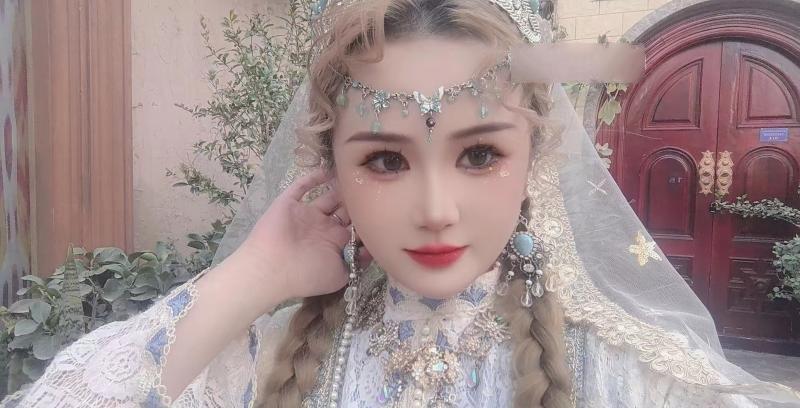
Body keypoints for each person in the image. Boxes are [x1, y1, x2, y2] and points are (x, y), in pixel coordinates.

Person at [3, 0, 800, 407]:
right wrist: (255, 276)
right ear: (332, 169)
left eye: (480, 154)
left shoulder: (629, 375)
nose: (437, 209)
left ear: (535, 157)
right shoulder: (265, 358)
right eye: (385, 160)